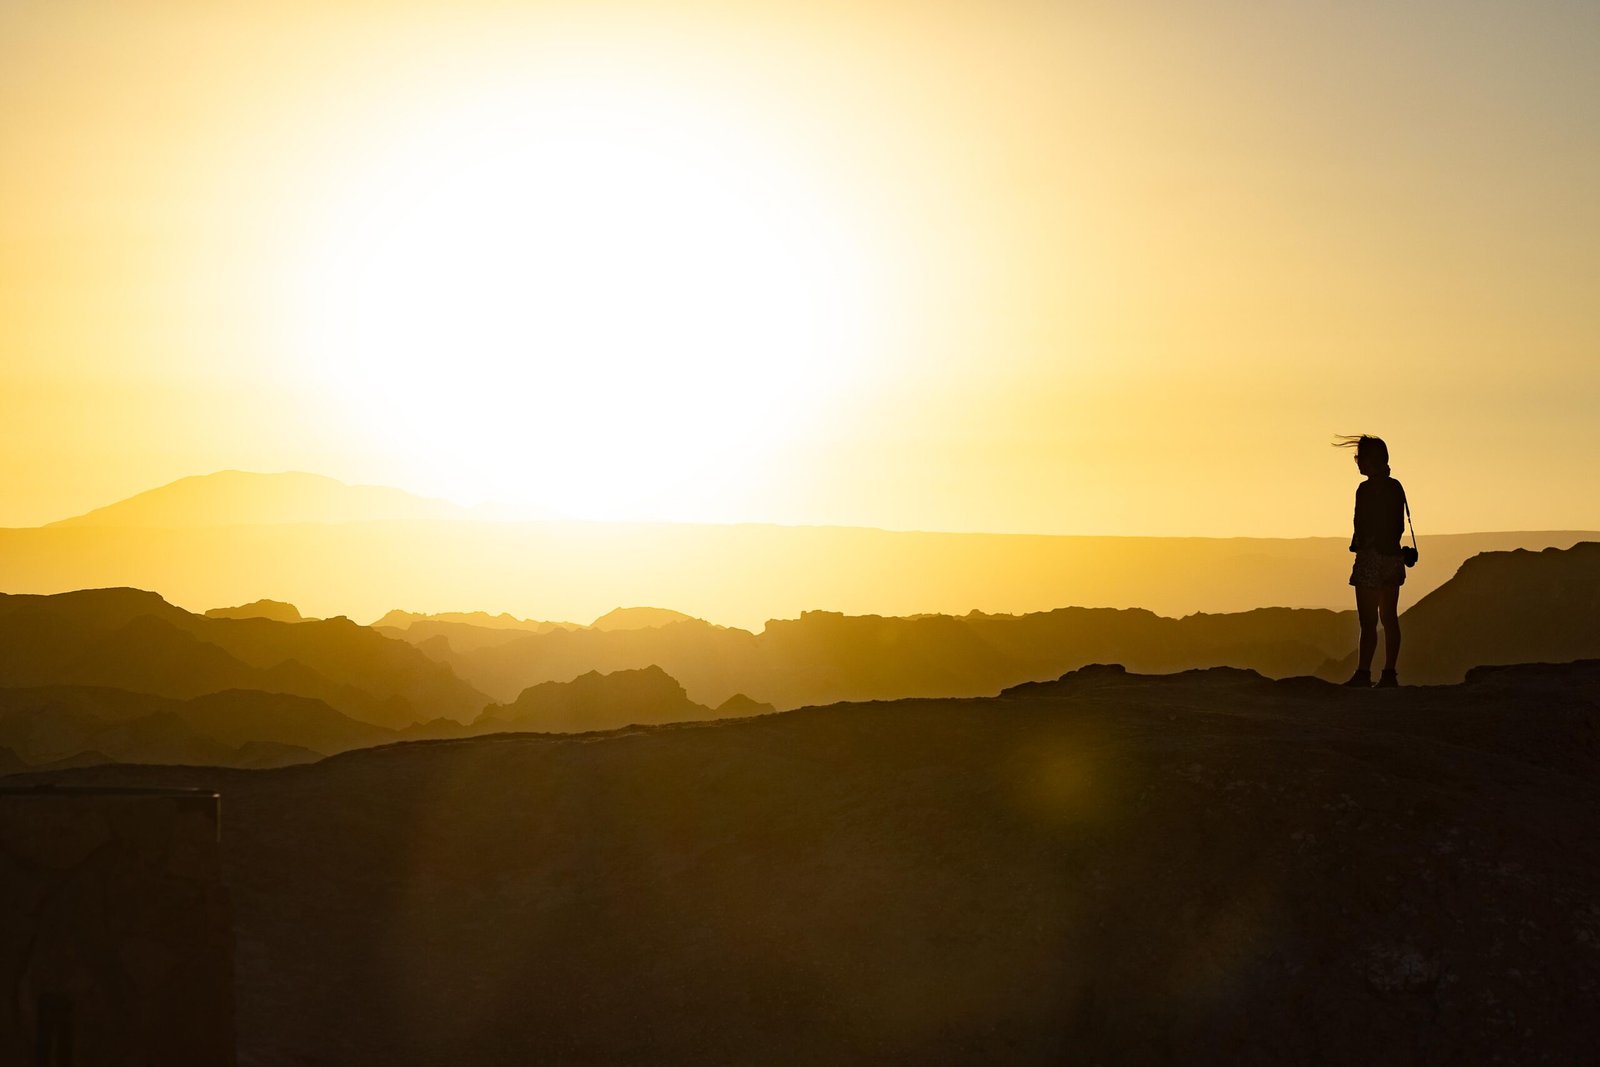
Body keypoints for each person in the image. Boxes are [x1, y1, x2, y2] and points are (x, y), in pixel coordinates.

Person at [1335, 434, 1408, 687]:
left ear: (1368, 460)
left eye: (1358, 458)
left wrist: (1364, 546)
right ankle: (1389, 674)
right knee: (1390, 618)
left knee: (1368, 622)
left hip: (1370, 560)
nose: (1357, 462)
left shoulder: (1365, 490)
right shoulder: (1396, 487)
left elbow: (1361, 526)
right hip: (1393, 558)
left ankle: (1363, 674)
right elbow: (1398, 525)